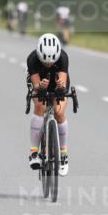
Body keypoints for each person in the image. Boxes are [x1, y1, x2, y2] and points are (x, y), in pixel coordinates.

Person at [26, 34, 70, 176]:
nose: (49, 65)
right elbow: (36, 84)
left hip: (57, 84)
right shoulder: (32, 59)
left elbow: (62, 84)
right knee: (40, 105)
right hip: (40, 82)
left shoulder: (63, 57)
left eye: (52, 62)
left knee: (58, 112)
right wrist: (40, 86)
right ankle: (34, 153)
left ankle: (63, 155)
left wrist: (60, 85)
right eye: (45, 62)